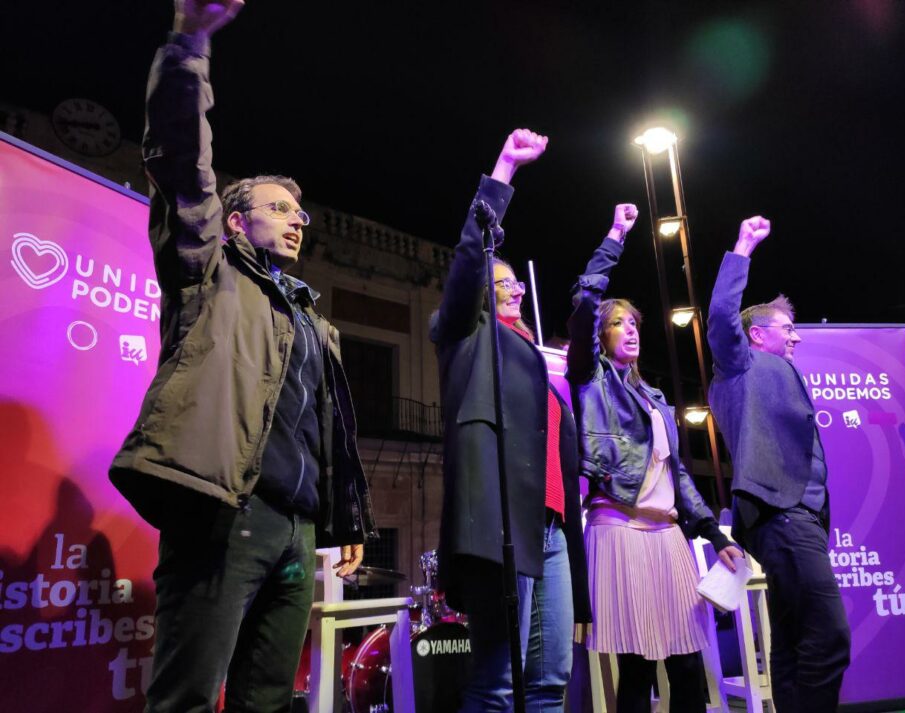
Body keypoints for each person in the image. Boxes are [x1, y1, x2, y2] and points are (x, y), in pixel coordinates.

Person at [108, 2, 376, 711]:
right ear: (235, 219)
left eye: (301, 213)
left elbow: (326, 435)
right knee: (188, 697)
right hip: (225, 514)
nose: (299, 220)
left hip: (298, 531)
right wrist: (189, 46)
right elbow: (179, 162)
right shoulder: (208, 267)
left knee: (269, 700)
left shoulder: (313, 319)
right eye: (281, 208)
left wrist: (343, 522)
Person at [430, 129, 591, 712]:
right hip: (503, 529)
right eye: (501, 286)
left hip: (549, 530)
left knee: (551, 678)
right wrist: (504, 171)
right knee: (498, 681)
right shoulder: (464, 337)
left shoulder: (531, 360)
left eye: (516, 285)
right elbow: (471, 258)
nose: (514, 292)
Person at [566, 213, 742, 713]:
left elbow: (677, 476)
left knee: (687, 663)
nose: (631, 330)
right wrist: (615, 237)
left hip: (669, 537)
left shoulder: (656, 398)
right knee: (638, 666)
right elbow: (583, 301)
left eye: (635, 322)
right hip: (619, 529)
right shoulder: (590, 380)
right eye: (618, 322)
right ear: (600, 335)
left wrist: (717, 536)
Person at [707, 216, 850, 712]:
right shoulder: (740, 363)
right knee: (829, 639)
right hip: (782, 515)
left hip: (797, 518)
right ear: (756, 335)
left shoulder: (778, 373)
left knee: (792, 644)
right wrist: (743, 246)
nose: (798, 338)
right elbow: (721, 316)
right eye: (788, 329)